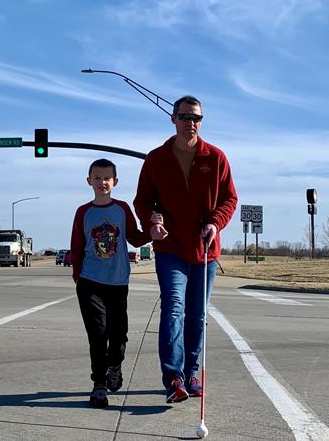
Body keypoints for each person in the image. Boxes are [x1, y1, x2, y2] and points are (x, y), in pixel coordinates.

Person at [134, 95, 237, 403]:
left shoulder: (215, 157)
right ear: (173, 119)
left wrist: (216, 223)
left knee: (197, 314)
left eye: (196, 118)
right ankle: (174, 377)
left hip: (205, 249)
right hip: (170, 248)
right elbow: (142, 201)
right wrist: (151, 222)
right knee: (173, 308)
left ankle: (192, 371)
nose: (191, 123)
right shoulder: (156, 159)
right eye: (185, 117)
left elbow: (230, 199)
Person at [69, 158, 151, 409]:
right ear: (89, 181)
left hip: (117, 283)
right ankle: (99, 385)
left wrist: (153, 229)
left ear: (115, 181)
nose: (102, 182)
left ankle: (115, 366)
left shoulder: (123, 209)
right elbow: (76, 246)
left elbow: (136, 239)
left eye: (107, 178)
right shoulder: (83, 212)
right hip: (90, 282)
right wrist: (78, 277)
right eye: (97, 178)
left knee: (118, 336)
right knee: (98, 335)